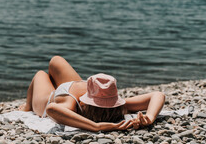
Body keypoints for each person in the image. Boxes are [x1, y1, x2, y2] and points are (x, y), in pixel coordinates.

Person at [19, 56, 165, 132]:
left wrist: (97, 127)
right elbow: (157, 95)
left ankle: (26, 107)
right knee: (56, 60)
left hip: (54, 97)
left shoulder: (70, 105)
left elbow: (51, 109)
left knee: (40, 74)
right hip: (79, 85)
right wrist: (150, 117)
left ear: (84, 104)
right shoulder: (116, 106)